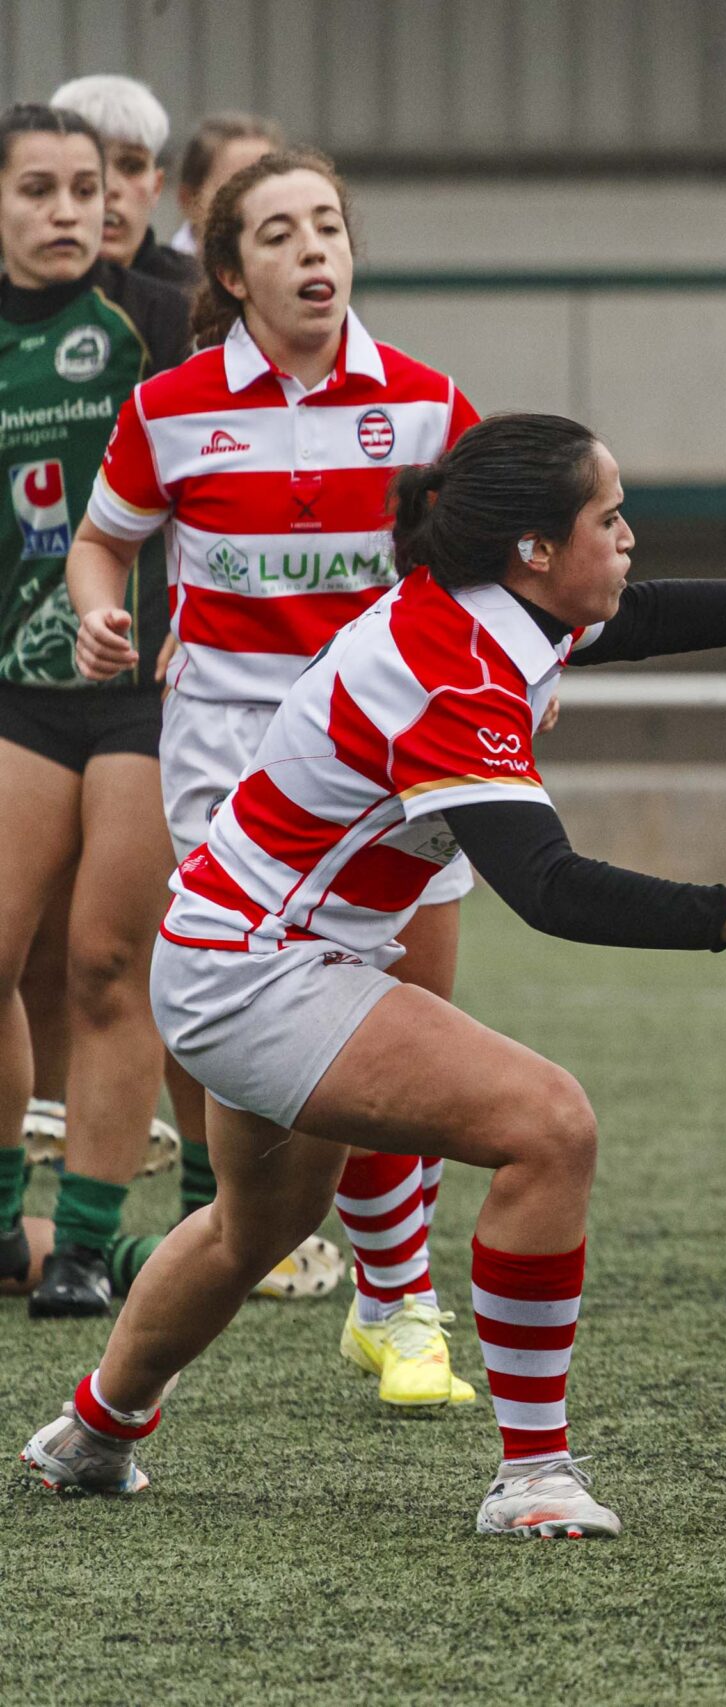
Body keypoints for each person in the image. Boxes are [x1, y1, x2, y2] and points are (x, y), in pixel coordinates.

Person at [22, 411, 726, 1537]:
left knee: (253, 1227)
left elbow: (636, 619)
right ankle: (532, 1478)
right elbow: (549, 889)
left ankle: (92, 1431)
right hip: (258, 969)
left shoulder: (500, 608)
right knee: (547, 1125)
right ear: (532, 548)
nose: (628, 539)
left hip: (244, 943)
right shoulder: (454, 674)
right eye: (608, 518)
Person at [63, 149, 480, 1387]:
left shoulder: (426, 403)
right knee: (283, 1039)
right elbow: (102, 543)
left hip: (400, 756)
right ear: (231, 271)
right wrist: (97, 609)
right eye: (285, 235)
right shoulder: (170, 408)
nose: (316, 253)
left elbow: (482, 583)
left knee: (417, 1035)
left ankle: (392, 1298)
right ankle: (282, 1249)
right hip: (231, 763)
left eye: (333, 229)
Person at [0, 104, 190, 1316]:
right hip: (13, 688)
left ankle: (82, 1238)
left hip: (142, 691)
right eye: (38, 190)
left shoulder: (158, 322)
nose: (71, 210)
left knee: (110, 962)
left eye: (87, 188)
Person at [47, 75, 197, 293]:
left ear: (156, 186)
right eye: (88, 165)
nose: (108, 187)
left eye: (131, 166)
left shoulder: (201, 294)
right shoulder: (17, 293)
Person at [170, 113, 283, 261]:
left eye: (270, 187)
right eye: (238, 189)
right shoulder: (160, 280)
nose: (259, 202)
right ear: (189, 199)